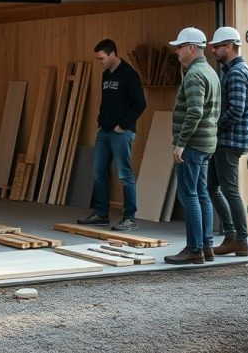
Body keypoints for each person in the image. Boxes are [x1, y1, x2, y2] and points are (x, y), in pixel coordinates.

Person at [164, 27, 220, 265]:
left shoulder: (195, 75)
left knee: (189, 196)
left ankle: (194, 249)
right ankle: (206, 246)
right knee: (202, 194)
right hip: (205, 144)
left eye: (180, 47)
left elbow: (195, 111)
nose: (177, 51)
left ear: (191, 48)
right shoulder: (210, 72)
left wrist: (180, 144)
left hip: (193, 146)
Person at [77, 39, 147, 231]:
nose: (100, 62)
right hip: (104, 131)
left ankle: (129, 218)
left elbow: (140, 103)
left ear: (112, 54)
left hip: (121, 133)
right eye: (98, 59)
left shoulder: (129, 74)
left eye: (102, 58)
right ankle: (101, 214)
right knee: (98, 172)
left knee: (124, 175)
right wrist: (100, 124)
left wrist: (123, 125)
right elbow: (106, 102)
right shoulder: (106, 75)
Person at [207, 26, 248, 257]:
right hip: (226, 140)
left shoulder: (236, 73)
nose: (214, 51)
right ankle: (232, 236)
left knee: (229, 190)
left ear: (229, 46)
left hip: (229, 141)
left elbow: (236, 111)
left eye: (217, 46)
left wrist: (212, 126)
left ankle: (240, 239)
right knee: (212, 187)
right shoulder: (233, 71)